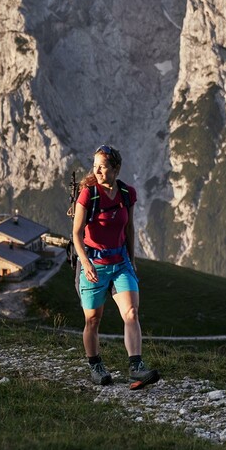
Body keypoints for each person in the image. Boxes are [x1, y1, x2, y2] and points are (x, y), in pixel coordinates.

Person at [72, 144, 160, 390]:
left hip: (120, 262)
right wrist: (86, 263)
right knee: (93, 319)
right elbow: (76, 234)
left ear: (116, 169)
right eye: (95, 167)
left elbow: (129, 228)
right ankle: (95, 365)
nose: (98, 171)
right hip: (93, 263)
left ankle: (136, 366)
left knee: (131, 312)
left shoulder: (126, 193)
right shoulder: (88, 194)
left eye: (103, 167)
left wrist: (132, 260)